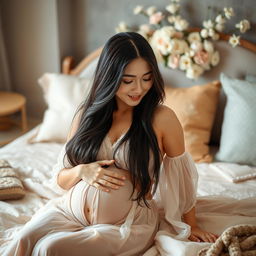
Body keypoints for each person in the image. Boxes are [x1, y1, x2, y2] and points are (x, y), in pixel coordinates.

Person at [4, 32, 218, 256]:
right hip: (69, 210)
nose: (139, 89)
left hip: (128, 224)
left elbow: (182, 178)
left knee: (48, 248)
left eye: (146, 78)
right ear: (110, 77)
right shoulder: (87, 115)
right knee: (22, 241)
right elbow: (61, 179)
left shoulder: (162, 118)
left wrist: (191, 224)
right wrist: (82, 171)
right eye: (128, 81)